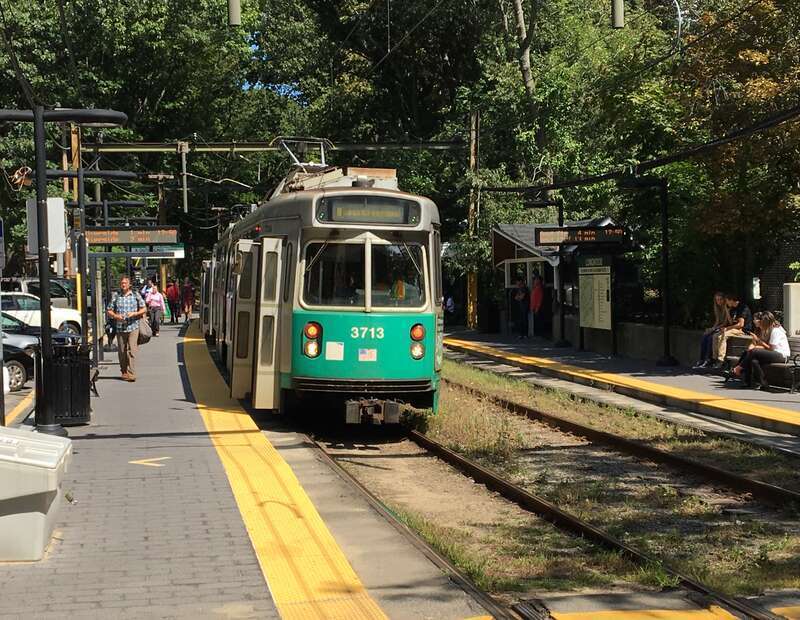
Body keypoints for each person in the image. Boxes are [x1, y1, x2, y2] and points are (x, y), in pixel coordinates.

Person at [730, 311, 790, 390]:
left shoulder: (775, 331)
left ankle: (739, 368)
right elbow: (768, 348)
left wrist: (758, 341)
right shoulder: (770, 330)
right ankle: (762, 384)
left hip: (782, 355)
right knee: (754, 360)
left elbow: (771, 348)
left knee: (754, 351)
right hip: (774, 353)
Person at [106, 276, 146, 382]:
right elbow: (109, 310)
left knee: (132, 351)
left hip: (133, 327)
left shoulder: (135, 295)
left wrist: (135, 313)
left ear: (129, 285)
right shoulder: (116, 296)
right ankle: (124, 371)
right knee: (122, 351)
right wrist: (116, 316)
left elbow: (144, 308)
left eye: (125, 283)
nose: (123, 285)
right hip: (120, 328)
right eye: (122, 283)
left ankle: (131, 373)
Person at [711, 292, 753, 367]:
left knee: (723, 335)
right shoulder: (732, 308)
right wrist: (727, 311)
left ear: (731, 300)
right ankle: (715, 358)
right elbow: (731, 322)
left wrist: (727, 328)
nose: (726, 303)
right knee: (715, 336)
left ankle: (721, 360)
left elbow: (740, 324)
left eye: (727, 301)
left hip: (743, 330)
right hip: (734, 329)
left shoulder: (742, 308)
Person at [693, 291, 730, 370]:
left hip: (725, 327)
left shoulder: (727, 308)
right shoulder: (716, 308)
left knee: (711, 338)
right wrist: (712, 328)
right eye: (717, 300)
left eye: (720, 299)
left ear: (724, 300)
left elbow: (725, 323)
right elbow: (718, 321)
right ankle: (701, 359)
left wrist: (714, 329)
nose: (719, 301)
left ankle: (709, 360)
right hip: (718, 326)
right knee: (705, 336)